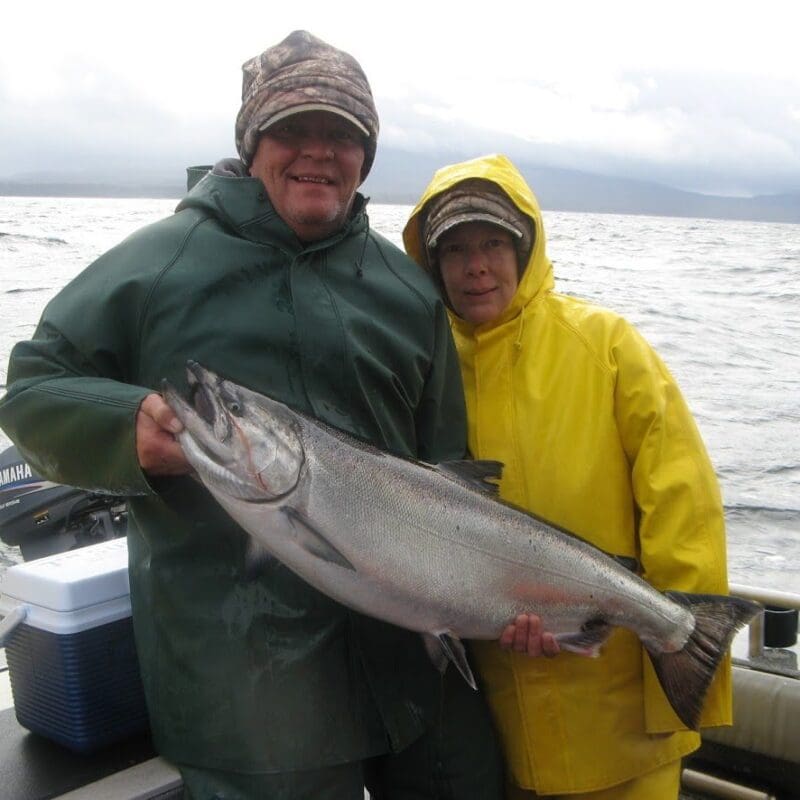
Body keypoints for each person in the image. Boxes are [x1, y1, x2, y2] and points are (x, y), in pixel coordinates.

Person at [0, 32, 505, 800]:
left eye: (342, 135)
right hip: (247, 691)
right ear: (251, 141)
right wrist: (125, 426)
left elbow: (449, 472)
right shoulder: (159, 262)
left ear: (366, 154)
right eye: (292, 130)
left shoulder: (407, 292)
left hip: (416, 675)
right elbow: (31, 388)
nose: (317, 153)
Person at [402, 153, 733, 799]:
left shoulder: (606, 344)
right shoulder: (422, 370)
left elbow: (684, 507)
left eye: (493, 243)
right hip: (504, 722)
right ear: (431, 264)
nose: (476, 266)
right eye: (457, 249)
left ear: (525, 248)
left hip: (623, 722)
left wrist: (677, 670)